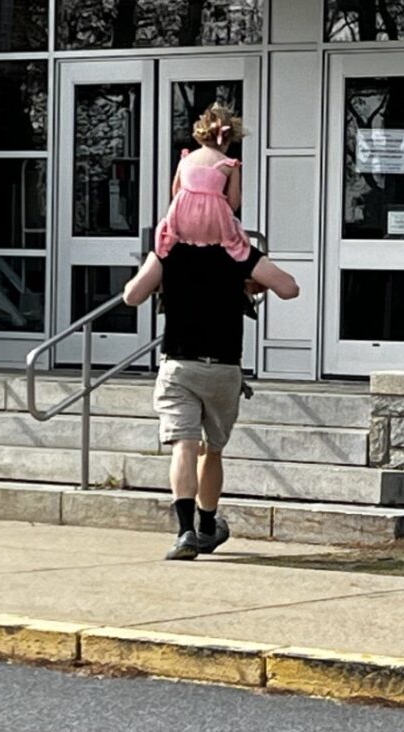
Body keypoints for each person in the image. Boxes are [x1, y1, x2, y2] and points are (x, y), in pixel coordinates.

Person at [122, 240, 299, 560]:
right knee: (212, 448)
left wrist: (161, 278)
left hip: (180, 364)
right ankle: (207, 526)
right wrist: (249, 280)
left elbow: (132, 295)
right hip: (224, 366)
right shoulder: (239, 251)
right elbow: (289, 288)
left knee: (184, 445)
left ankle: (185, 531)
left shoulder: (167, 251)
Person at [154, 103, 251, 262]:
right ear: (226, 141)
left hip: (183, 218)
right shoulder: (229, 164)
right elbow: (234, 202)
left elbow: (176, 191)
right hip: (214, 219)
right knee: (231, 241)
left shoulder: (186, 160)